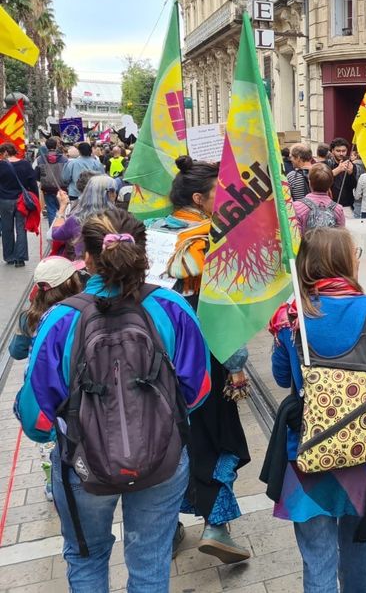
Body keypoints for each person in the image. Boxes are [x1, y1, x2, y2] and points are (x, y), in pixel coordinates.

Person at [15, 209, 211, 592]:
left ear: (86, 258)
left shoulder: (60, 319)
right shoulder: (171, 307)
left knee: (86, 559)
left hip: (83, 465)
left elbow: (36, 418)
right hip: (162, 460)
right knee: (150, 562)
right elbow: (198, 390)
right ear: (144, 253)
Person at [269, 228, 366, 593]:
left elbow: (282, 377)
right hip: (363, 449)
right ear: (347, 262)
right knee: (357, 547)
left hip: (306, 451)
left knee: (317, 557)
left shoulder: (291, 317)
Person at [161, 155, 252, 563]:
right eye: (219, 191)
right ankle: (216, 526)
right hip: (203, 361)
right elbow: (221, 310)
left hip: (156, 360)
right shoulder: (209, 240)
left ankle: (166, 527)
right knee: (213, 436)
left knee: (167, 441)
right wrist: (237, 364)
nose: (225, 198)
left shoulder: (152, 233)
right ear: (199, 198)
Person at [8, 256, 84, 502]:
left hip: (43, 395)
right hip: (73, 390)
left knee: (50, 444)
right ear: (70, 282)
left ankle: (53, 483)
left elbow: (16, 351)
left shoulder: (29, 316)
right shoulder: (80, 313)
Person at [50, 175, 117, 261]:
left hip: (84, 265)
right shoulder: (119, 218)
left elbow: (56, 234)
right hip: (113, 265)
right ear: (108, 194)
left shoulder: (76, 219)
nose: (115, 195)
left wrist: (62, 207)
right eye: (113, 191)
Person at [0, 142, 38, 267]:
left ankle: (9, 256)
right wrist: (35, 198)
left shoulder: (1, 165)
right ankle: (20, 258)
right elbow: (33, 183)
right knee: (21, 228)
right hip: (21, 200)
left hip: (5, 201)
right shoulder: (25, 164)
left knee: (7, 229)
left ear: (5, 152)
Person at [293, 163, 345, 231]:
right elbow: (341, 235)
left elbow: (295, 234)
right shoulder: (338, 209)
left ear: (309, 182)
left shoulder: (296, 207)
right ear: (331, 183)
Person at [35, 138, 68, 224]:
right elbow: (67, 174)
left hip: (47, 188)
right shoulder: (64, 159)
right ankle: (62, 228)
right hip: (62, 188)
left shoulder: (40, 159)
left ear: (46, 146)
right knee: (62, 209)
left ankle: (52, 229)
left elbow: (37, 175)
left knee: (51, 210)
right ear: (56, 145)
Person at [329, 137, 358, 216]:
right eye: (338, 151)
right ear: (332, 151)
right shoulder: (327, 164)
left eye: (343, 151)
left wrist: (350, 173)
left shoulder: (351, 165)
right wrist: (337, 170)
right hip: (330, 205)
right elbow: (322, 180)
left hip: (346, 206)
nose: (341, 153)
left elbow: (354, 186)